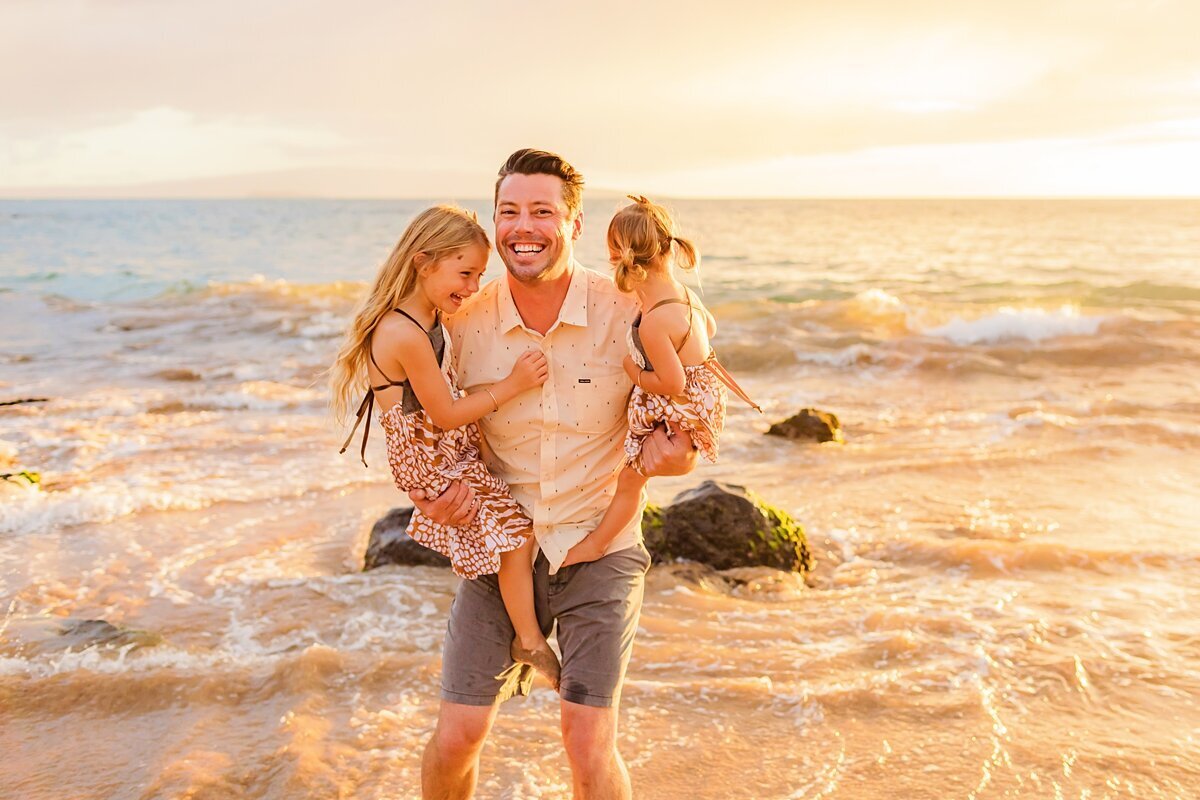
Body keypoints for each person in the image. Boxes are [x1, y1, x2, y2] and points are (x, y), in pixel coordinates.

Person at [413, 150, 698, 800]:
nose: (524, 227)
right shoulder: (461, 321)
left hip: (600, 549)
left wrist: (674, 458)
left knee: (587, 742)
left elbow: (687, 425)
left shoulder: (628, 310)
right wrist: (429, 495)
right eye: (509, 212)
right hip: (498, 552)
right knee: (457, 734)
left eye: (542, 211)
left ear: (573, 224)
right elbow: (419, 427)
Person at [329, 204, 563, 687]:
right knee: (517, 537)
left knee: (508, 536)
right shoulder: (402, 333)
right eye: (464, 273)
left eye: (480, 275)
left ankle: (518, 634)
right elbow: (444, 413)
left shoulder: (428, 316)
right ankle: (529, 641)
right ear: (422, 261)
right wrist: (513, 383)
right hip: (432, 460)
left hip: (441, 450)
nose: (473, 287)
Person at [564, 195, 761, 564]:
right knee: (632, 473)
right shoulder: (686, 297)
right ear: (668, 249)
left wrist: (635, 371)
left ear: (619, 257)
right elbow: (710, 329)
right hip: (704, 399)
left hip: (682, 406)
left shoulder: (654, 322)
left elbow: (670, 383)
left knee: (630, 480)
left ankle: (598, 543)